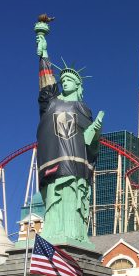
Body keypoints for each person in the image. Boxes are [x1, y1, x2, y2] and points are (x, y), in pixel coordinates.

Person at [34, 17, 104, 245]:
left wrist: (95, 132)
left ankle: (74, 233)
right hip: (54, 161)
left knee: (72, 198)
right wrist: (43, 53)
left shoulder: (84, 109)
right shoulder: (51, 102)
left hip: (75, 167)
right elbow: (46, 85)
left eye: (70, 80)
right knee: (54, 198)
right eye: (62, 79)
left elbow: (91, 147)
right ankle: (52, 233)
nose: (65, 82)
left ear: (78, 85)